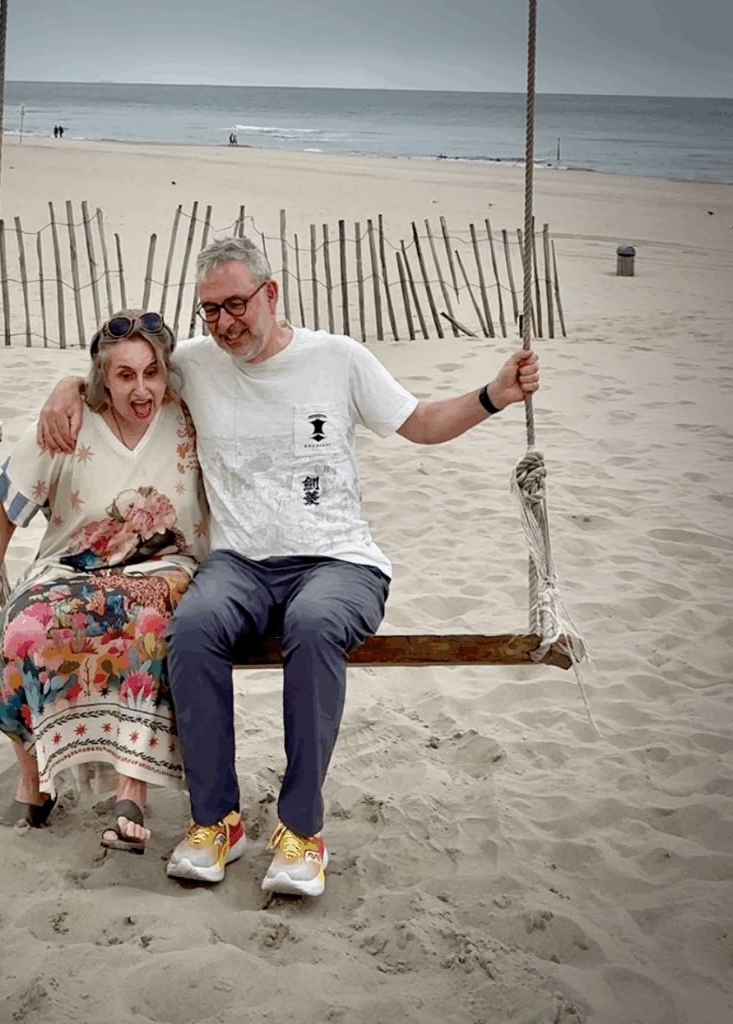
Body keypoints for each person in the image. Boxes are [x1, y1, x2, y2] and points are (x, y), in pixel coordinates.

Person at [37, 237, 539, 894]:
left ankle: (302, 834)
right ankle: (217, 824)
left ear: (271, 294)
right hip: (241, 565)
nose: (224, 323)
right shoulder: (195, 362)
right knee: (192, 628)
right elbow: (130, 368)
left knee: (312, 625)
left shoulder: (337, 358)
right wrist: (66, 387)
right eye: (210, 310)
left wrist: (493, 395)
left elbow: (418, 422)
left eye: (236, 304)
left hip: (339, 563)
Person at [0, 310, 208, 853]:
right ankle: (35, 780)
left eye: (152, 372)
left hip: (163, 568)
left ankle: (132, 791)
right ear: (102, 380)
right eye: (125, 376)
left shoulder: (189, 415)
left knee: (146, 616)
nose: (142, 388)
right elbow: (1, 512)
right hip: (70, 569)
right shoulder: (65, 425)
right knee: (22, 628)